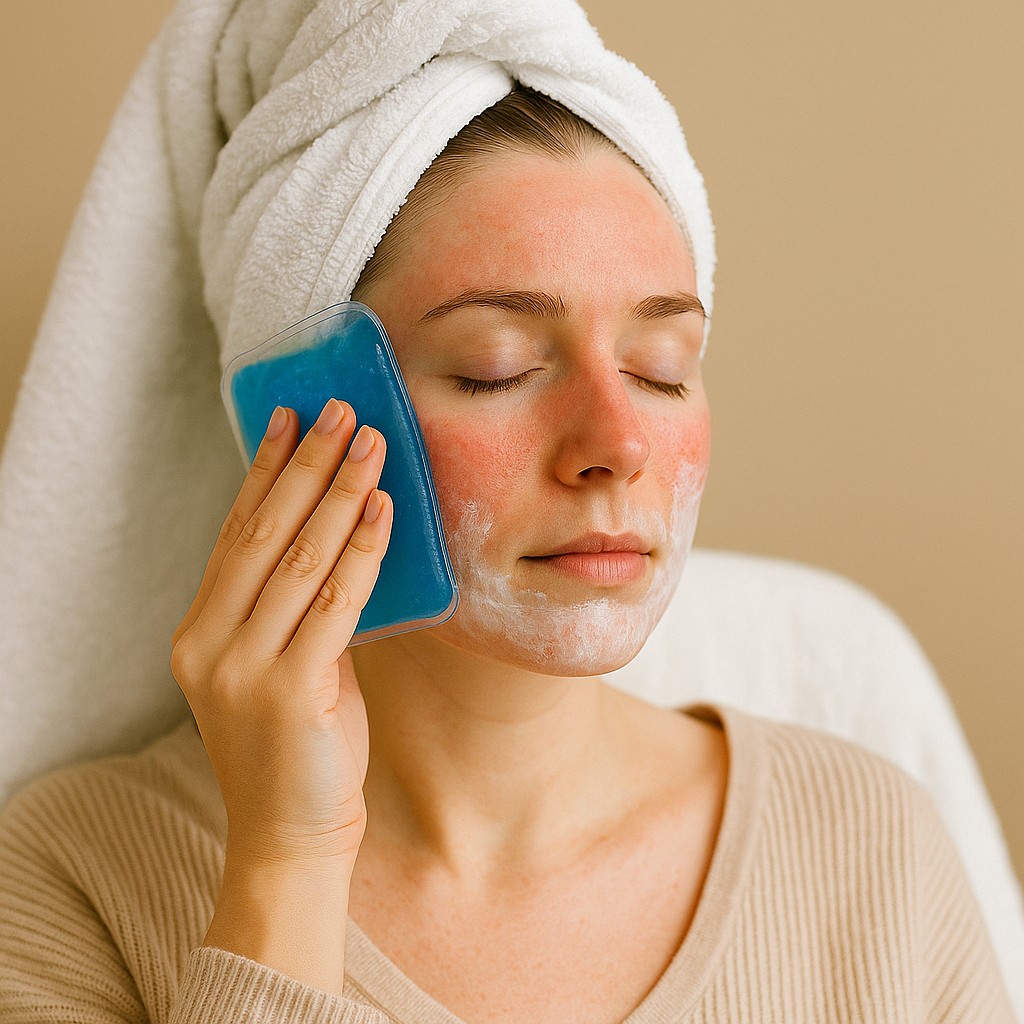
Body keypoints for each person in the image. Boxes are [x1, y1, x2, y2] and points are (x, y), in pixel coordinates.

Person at [0, 2, 1016, 1022]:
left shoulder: (868, 845)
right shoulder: (74, 876)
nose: (618, 444)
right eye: (500, 367)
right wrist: (284, 863)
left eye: (661, 370)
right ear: (297, 412)